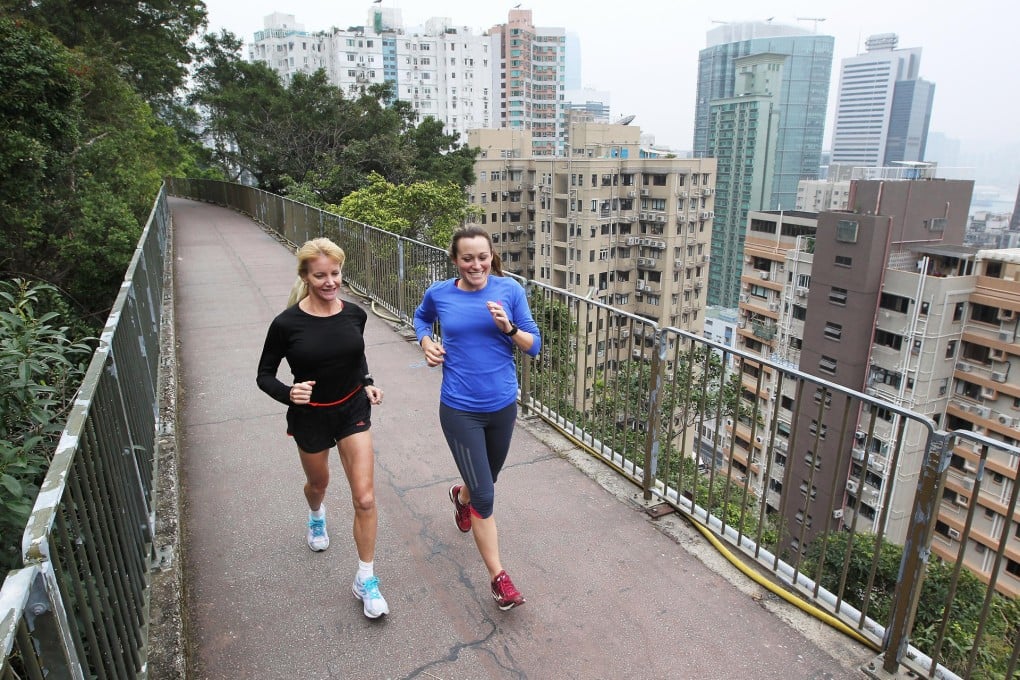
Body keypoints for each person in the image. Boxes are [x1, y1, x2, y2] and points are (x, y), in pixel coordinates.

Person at [256, 237, 389, 619]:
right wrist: (288, 392)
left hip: (352, 410)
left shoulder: (354, 314)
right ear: (305, 276)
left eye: (335, 274)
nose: (330, 282)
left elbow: (355, 352)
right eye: (320, 276)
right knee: (319, 484)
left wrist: (367, 381)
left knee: (364, 498)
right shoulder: (286, 324)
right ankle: (316, 515)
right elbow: (264, 375)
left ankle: (366, 578)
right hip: (311, 415)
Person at [413, 226, 542, 610]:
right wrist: (426, 343)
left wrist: (510, 328)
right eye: (467, 258)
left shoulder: (510, 292)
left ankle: (460, 496)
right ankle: (499, 579)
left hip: (502, 405)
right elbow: (421, 320)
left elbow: (534, 345)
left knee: (485, 481)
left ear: (491, 256)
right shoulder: (440, 293)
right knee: (487, 494)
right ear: (455, 259)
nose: (476, 264)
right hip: (459, 408)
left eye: (482, 257)